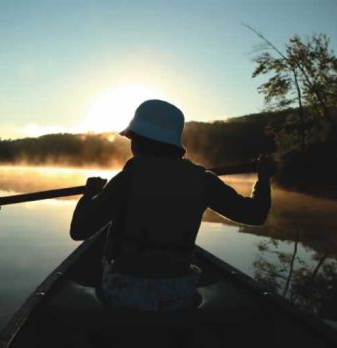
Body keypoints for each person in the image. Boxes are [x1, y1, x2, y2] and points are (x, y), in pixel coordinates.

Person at [70, 99, 275, 312]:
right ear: (175, 146)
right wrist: (263, 178)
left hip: (124, 290)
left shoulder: (127, 179)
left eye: (132, 138)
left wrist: (89, 195)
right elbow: (255, 215)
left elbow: (79, 231)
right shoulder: (203, 180)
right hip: (178, 292)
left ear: (139, 141)